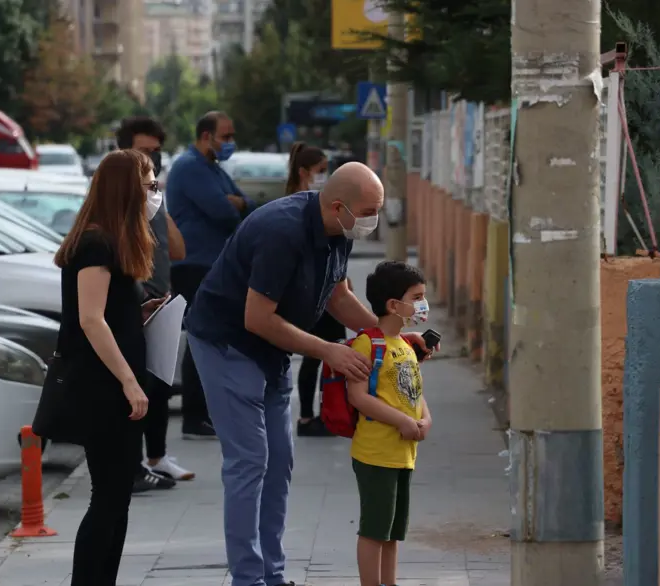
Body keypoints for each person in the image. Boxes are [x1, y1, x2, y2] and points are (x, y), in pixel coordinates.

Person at [185, 162, 435, 586]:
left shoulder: (338, 231)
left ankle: (273, 574)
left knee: (280, 461)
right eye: (369, 210)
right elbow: (256, 318)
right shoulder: (281, 232)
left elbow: (337, 296)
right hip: (228, 345)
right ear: (339, 205)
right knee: (250, 462)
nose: (375, 218)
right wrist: (329, 352)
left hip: (273, 353)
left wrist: (391, 341)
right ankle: (249, 579)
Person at [53, 149, 162, 586]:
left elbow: (108, 311)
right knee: (108, 498)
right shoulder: (96, 243)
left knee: (117, 499)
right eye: (150, 183)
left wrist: (139, 310)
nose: (155, 192)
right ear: (128, 188)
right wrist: (130, 382)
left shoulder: (112, 241)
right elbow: (89, 319)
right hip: (102, 388)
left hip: (115, 388)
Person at [166, 111, 258, 440]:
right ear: (207, 136)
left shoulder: (212, 169)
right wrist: (232, 203)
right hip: (193, 265)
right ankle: (195, 417)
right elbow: (222, 211)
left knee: (215, 338)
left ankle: (208, 412)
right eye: (226, 136)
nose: (230, 143)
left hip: (213, 264)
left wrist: (236, 202)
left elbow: (244, 203)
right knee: (203, 339)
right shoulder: (190, 167)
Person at [115, 117, 195, 490]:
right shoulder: (118, 200)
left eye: (156, 152)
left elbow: (177, 249)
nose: (152, 158)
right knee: (137, 386)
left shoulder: (151, 199)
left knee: (160, 383)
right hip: (136, 303)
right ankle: (130, 466)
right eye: (144, 151)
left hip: (161, 300)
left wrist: (159, 204)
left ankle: (156, 458)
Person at [347, 261, 432, 586]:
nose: (423, 304)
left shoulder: (406, 346)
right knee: (374, 529)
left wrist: (425, 418)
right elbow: (358, 396)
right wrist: (400, 421)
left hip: (403, 454)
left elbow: (412, 392)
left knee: (393, 531)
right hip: (375, 454)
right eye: (418, 296)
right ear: (394, 305)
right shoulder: (368, 344)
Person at [284, 142, 340, 437]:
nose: (325, 175)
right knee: (316, 353)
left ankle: (322, 414)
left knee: (324, 353)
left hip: (326, 289)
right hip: (315, 293)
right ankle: (308, 417)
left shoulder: (315, 200)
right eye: (321, 171)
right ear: (304, 172)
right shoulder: (300, 204)